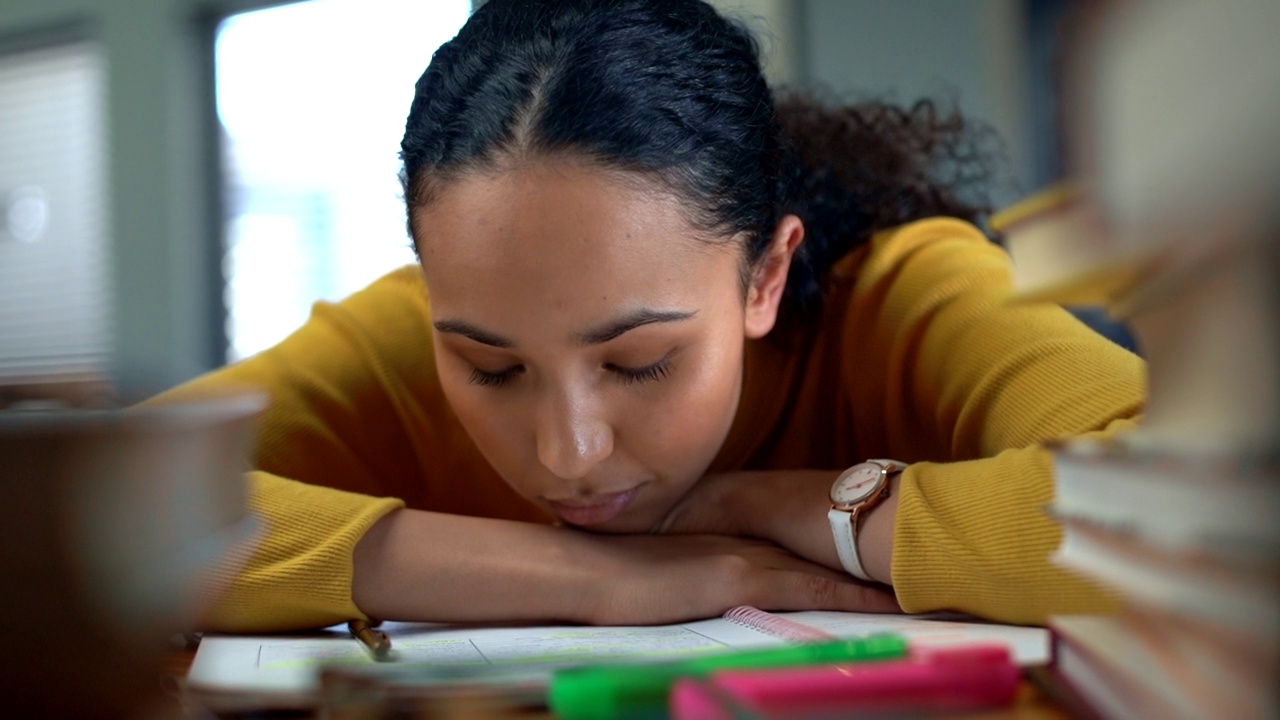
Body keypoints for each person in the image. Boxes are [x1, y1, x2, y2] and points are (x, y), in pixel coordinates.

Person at [156, 0, 1144, 632]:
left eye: (637, 362)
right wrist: (579, 576)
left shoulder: (904, 296)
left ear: (763, 276)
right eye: (492, 372)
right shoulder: (406, 335)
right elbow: (62, 511)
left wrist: (776, 507)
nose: (569, 454)